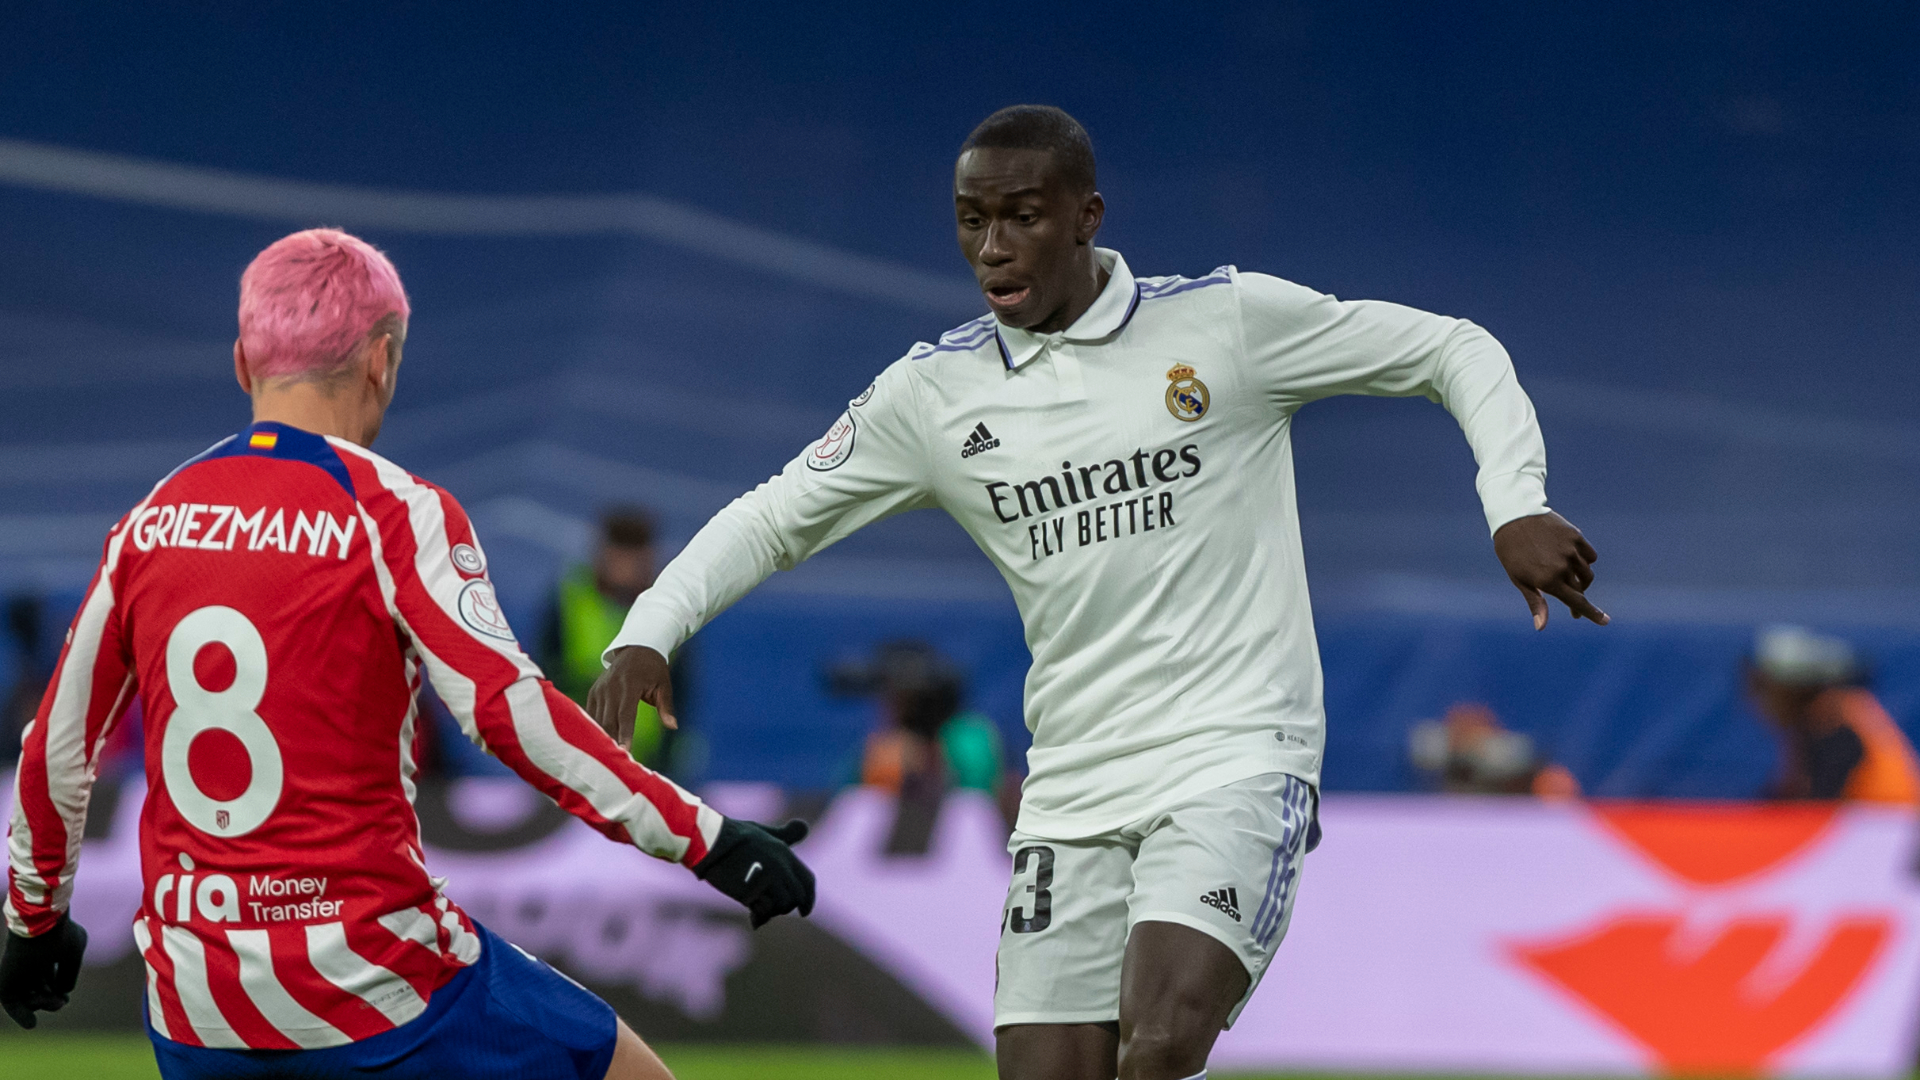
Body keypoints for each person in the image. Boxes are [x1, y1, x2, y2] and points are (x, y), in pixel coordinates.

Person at [589, 106, 1605, 1080]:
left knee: (1160, 1041)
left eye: (1022, 217)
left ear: (1086, 217)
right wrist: (652, 629)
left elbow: (1452, 348)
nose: (992, 247)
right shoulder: (934, 396)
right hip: (1072, 785)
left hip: (1236, 752)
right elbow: (776, 515)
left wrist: (1513, 504)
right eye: (971, 221)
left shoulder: (1226, 325)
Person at [0, 229, 814, 1080]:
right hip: (374, 986)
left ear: (242, 362)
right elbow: (511, 715)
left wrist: (33, 923)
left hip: (197, 1007)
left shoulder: (149, 523)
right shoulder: (393, 512)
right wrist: (708, 838)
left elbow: (56, 751)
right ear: (382, 362)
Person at [540, 507, 687, 770]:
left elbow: (682, 693)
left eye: (635, 559)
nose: (627, 568)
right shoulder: (568, 599)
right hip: (574, 757)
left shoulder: (669, 609)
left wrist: (669, 763)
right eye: (619, 557)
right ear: (602, 554)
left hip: (644, 763)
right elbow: (544, 674)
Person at [1748, 625, 1920, 804]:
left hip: (1884, 825)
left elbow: (1813, 809)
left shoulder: (1838, 730)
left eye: (1770, 687)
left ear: (1804, 690)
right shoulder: (1840, 720)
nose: (1759, 698)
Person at [1407, 702, 1581, 799]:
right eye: (1462, 731)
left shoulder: (1513, 762)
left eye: (1473, 730)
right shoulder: (1433, 757)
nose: (1468, 738)